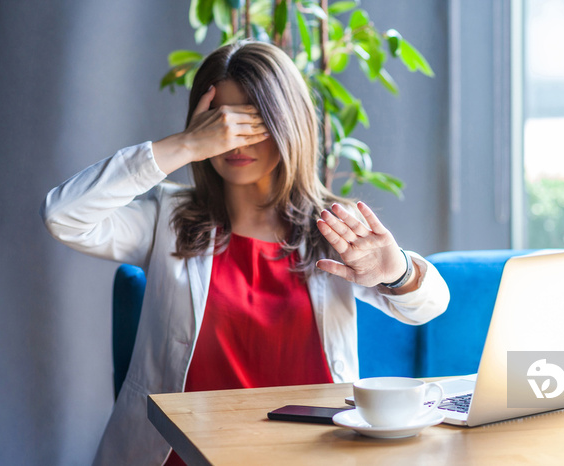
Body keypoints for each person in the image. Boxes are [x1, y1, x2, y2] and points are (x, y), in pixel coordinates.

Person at [41, 40, 449, 465]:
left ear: (285, 121)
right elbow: (62, 215)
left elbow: (431, 305)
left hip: (312, 456)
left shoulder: (331, 227)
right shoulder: (167, 218)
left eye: (252, 121)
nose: (235, 141)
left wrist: (397, 271)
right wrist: (182, 146)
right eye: (220, 122)